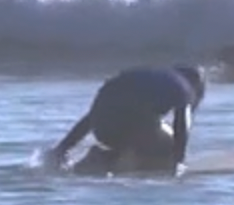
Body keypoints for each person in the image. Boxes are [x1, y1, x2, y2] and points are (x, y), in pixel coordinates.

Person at [49, 64, 206, 175]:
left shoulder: (155, 78)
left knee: (148, 126)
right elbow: (182, 126)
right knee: (167, 142)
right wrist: (178, 161)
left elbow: (94, 115)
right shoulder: (185, 88)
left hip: (103, 125)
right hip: (125, 123)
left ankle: (103, 158)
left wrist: (63, 147)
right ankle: (108, 161)